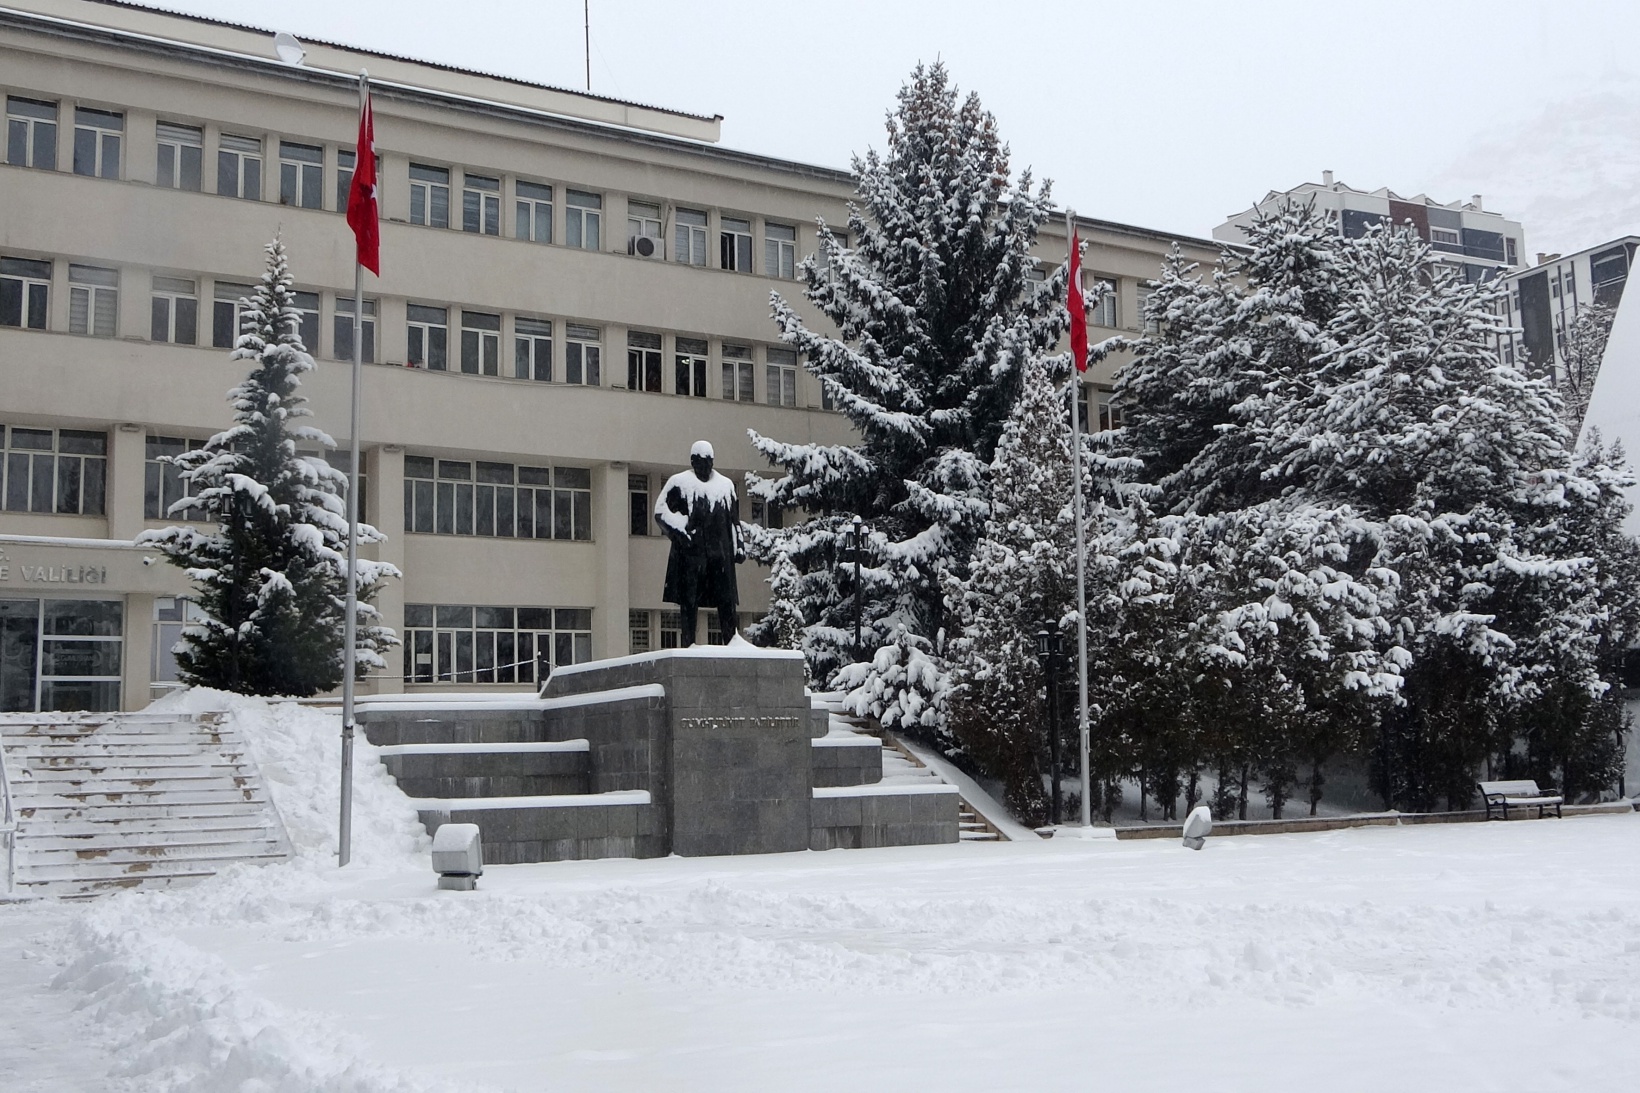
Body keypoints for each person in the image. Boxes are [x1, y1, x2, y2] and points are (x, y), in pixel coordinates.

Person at [655, 440, 745, 646]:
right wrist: (679, 532)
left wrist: (739, 545)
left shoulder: (726, 486)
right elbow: (660, 511)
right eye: (700, 462)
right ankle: (688, 644)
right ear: (693, 462)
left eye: (708, 462)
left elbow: (734, 521)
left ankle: (733, 642)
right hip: (692, 557)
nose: (704, 467)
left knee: (726, 601)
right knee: (689, 602)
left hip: (720, 556)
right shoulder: (680, 483)